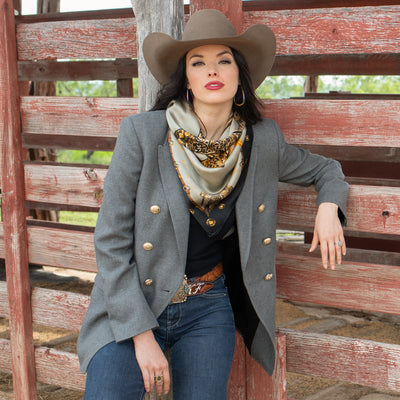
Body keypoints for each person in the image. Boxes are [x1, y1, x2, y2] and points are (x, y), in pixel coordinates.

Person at [77, 9, 348, 400]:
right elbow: (110, 241)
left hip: (207, 306)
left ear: (239, 77)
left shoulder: (261, 141)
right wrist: (142, 336)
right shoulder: (142, 134)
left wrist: (328, 208)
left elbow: (327, 170)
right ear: (186, 80)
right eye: (198, 63)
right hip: (135, 304)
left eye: (224, 60)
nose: (212, 70)